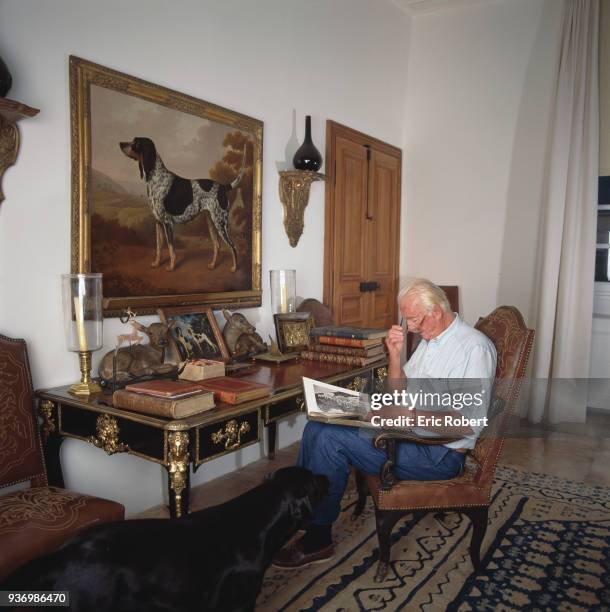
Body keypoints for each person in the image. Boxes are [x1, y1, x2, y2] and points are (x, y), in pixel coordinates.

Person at [272, 279, 497, 570]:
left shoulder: (473, 350)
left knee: (329, 438)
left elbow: (468, 424)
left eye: (414, 319)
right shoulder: (432, 340)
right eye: (407, 320)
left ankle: (318, 539)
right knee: (318, 422)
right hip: (407, 432)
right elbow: (398, 392)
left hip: (437, 454)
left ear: (437, 312)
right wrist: (394, 355)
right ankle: (303, 517)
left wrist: (406, 416)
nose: (410, 327)